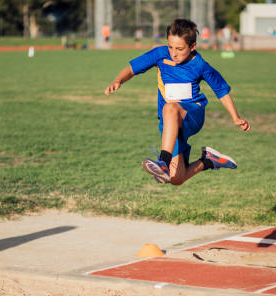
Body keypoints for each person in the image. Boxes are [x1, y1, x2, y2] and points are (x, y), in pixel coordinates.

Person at [104, 18, 250, 185]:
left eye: (180, 49)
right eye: (171, 47)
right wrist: (118, 81)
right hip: (169, 124)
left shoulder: (200, 64)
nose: (174, 53)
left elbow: (221, 91)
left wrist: (235, 117)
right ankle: (209, 160)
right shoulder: (160, 54)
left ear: (192, 46)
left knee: (170, 107)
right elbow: (131, 69)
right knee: (176, 178)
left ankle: (163, 162)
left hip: (192, 115)